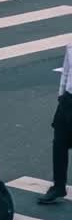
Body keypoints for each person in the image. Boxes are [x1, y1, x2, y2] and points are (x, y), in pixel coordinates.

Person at [38, 42, 72, 204]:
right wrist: (61, 94)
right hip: (68, 99)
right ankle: (59, 186)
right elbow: (66, 71)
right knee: (59, 143)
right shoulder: (71, 45)